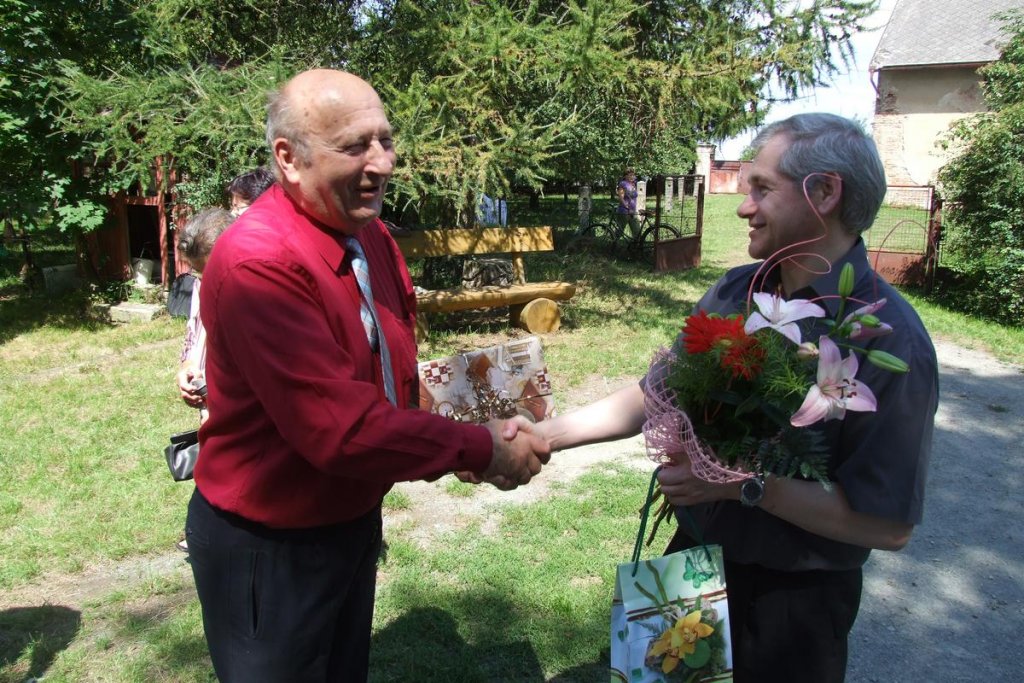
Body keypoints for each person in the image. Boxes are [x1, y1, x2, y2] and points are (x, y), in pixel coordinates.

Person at [506, 113, 938, 682]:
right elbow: (658, 393)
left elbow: (887, 527)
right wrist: (546, 434)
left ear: (825, 193)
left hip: (790, 608)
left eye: (763, 188)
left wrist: (740, 486)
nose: (742, 207)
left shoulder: (889, 339)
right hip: (689, 563)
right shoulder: (738, 290)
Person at [186, 68, 549, 682]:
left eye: (385, 140)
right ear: (288, 158)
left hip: (348, 518)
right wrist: (477, 447)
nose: (382, 163)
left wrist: (453, 435)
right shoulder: (259, 262)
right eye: (354, 146)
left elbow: (391, 365)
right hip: (271, 548)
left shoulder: (369, 232)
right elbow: (339, 429)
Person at [615, 168, 640, 238]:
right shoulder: (623, 184)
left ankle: (636, 244)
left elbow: (633, 198)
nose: (632, 177)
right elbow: (621, 198)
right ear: (625, 176)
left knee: (637, 231)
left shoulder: (633, 184)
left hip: (633, 211)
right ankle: (612, 242)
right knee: (619, 231)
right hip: (624, 211)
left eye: (633, 175)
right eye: (630, 175)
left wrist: (633, 209)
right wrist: (627, 207)